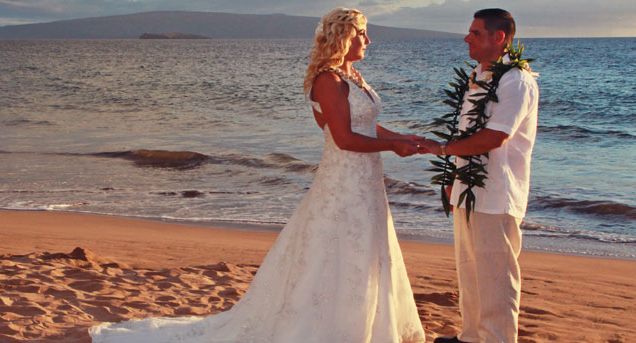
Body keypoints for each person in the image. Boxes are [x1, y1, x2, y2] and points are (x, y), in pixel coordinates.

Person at [89, 8, 426, 343]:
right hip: (345, 180)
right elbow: (344, 138)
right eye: (360, 34)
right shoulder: (328, 80)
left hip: (366, 180)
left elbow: (364, 125)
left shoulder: (351, 77)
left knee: (362, 246)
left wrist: (401, 136)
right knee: (338, 245)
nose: (368, 39)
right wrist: (393, 145)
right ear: (342, 38)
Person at [418, 8, 539, 343]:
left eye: (475, 33)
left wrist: (440, 150)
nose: (466, 38)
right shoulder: (479, 76)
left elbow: (494, 137)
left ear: (498, 38)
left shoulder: (515, 80)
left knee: (497, 277)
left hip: (498, 191)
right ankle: (471, 336)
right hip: (468, 188)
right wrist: (452, 179)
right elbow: (467, 130)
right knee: (470, 271)